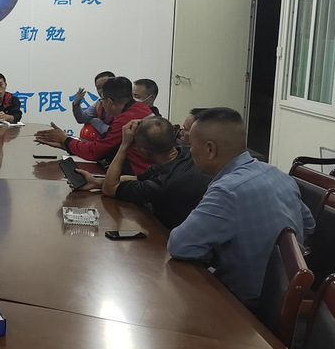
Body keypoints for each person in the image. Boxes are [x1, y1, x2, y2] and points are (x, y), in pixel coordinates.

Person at [167, 107, 315, 304]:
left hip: (244, 304)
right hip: (284, 294)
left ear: (210, 149)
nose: (189, 151)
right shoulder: (278, 174)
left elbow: (180, 245)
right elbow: (309, 225)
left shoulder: (227, 191)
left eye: (191, 145)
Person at [75, 117, 212, 229]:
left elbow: (110, 189)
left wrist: (124, 145)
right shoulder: (185, 153)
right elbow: (137, 179)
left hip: (169, 244)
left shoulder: (161, 185)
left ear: (144, 152)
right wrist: (96, 182)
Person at [35, 76, 154, 175]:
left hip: (138, 177)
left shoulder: (126, 120)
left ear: (109, 102)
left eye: (102, 100)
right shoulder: (139, 109)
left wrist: (65, 140)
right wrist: (65, 144)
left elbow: (94, 151)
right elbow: (104, 147)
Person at [71, 71, 115, 139]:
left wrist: (97, 123)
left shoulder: (123, 102)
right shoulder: (99, 104)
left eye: (105, 86)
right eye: (99, 87)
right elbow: (82, 119)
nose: (102, 90)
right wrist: (76, 104)